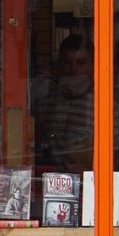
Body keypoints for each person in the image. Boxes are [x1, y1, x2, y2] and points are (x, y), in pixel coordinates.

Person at [31, 34, 92, 169]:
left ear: (92, 65)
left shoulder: (106, 108)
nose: (73, 69)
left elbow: (114, 164)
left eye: (81, 63)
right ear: (59, 64)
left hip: (89, 185)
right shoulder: (44, 106)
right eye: (67, 62)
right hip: (48, 182)